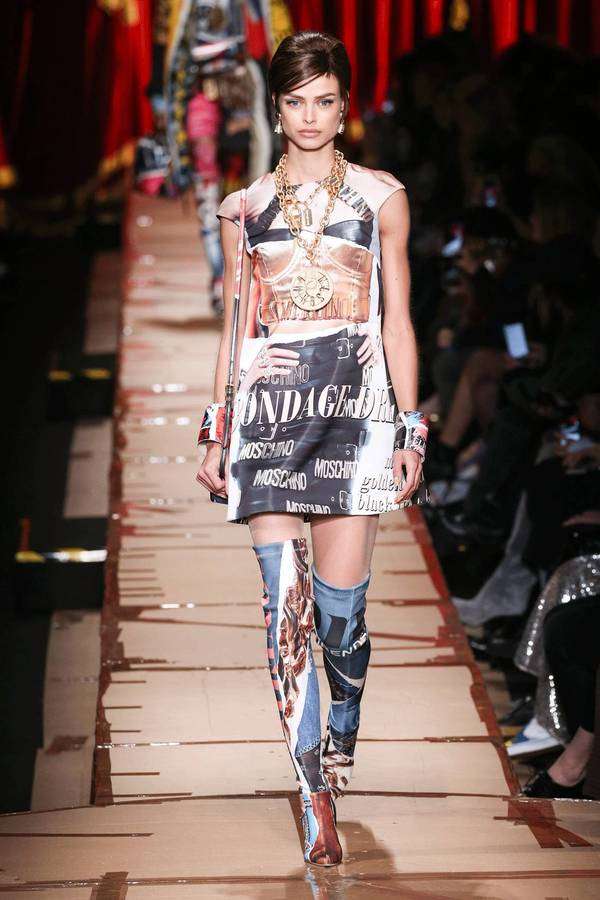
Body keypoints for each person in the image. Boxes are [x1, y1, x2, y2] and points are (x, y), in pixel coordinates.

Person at [195, 31, 428, 867]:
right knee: (285, 609)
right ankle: (313, 791)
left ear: (345, 106)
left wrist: (409, 429)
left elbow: (397, 323)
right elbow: (236, 328)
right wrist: (216, 427)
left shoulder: (382, 198)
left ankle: (343, 726)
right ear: (276, 107)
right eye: (296, 101)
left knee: (340, 619)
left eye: (324, 101)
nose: (309, 117)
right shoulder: (244, 209)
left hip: (354, 417)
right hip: (269, 419)